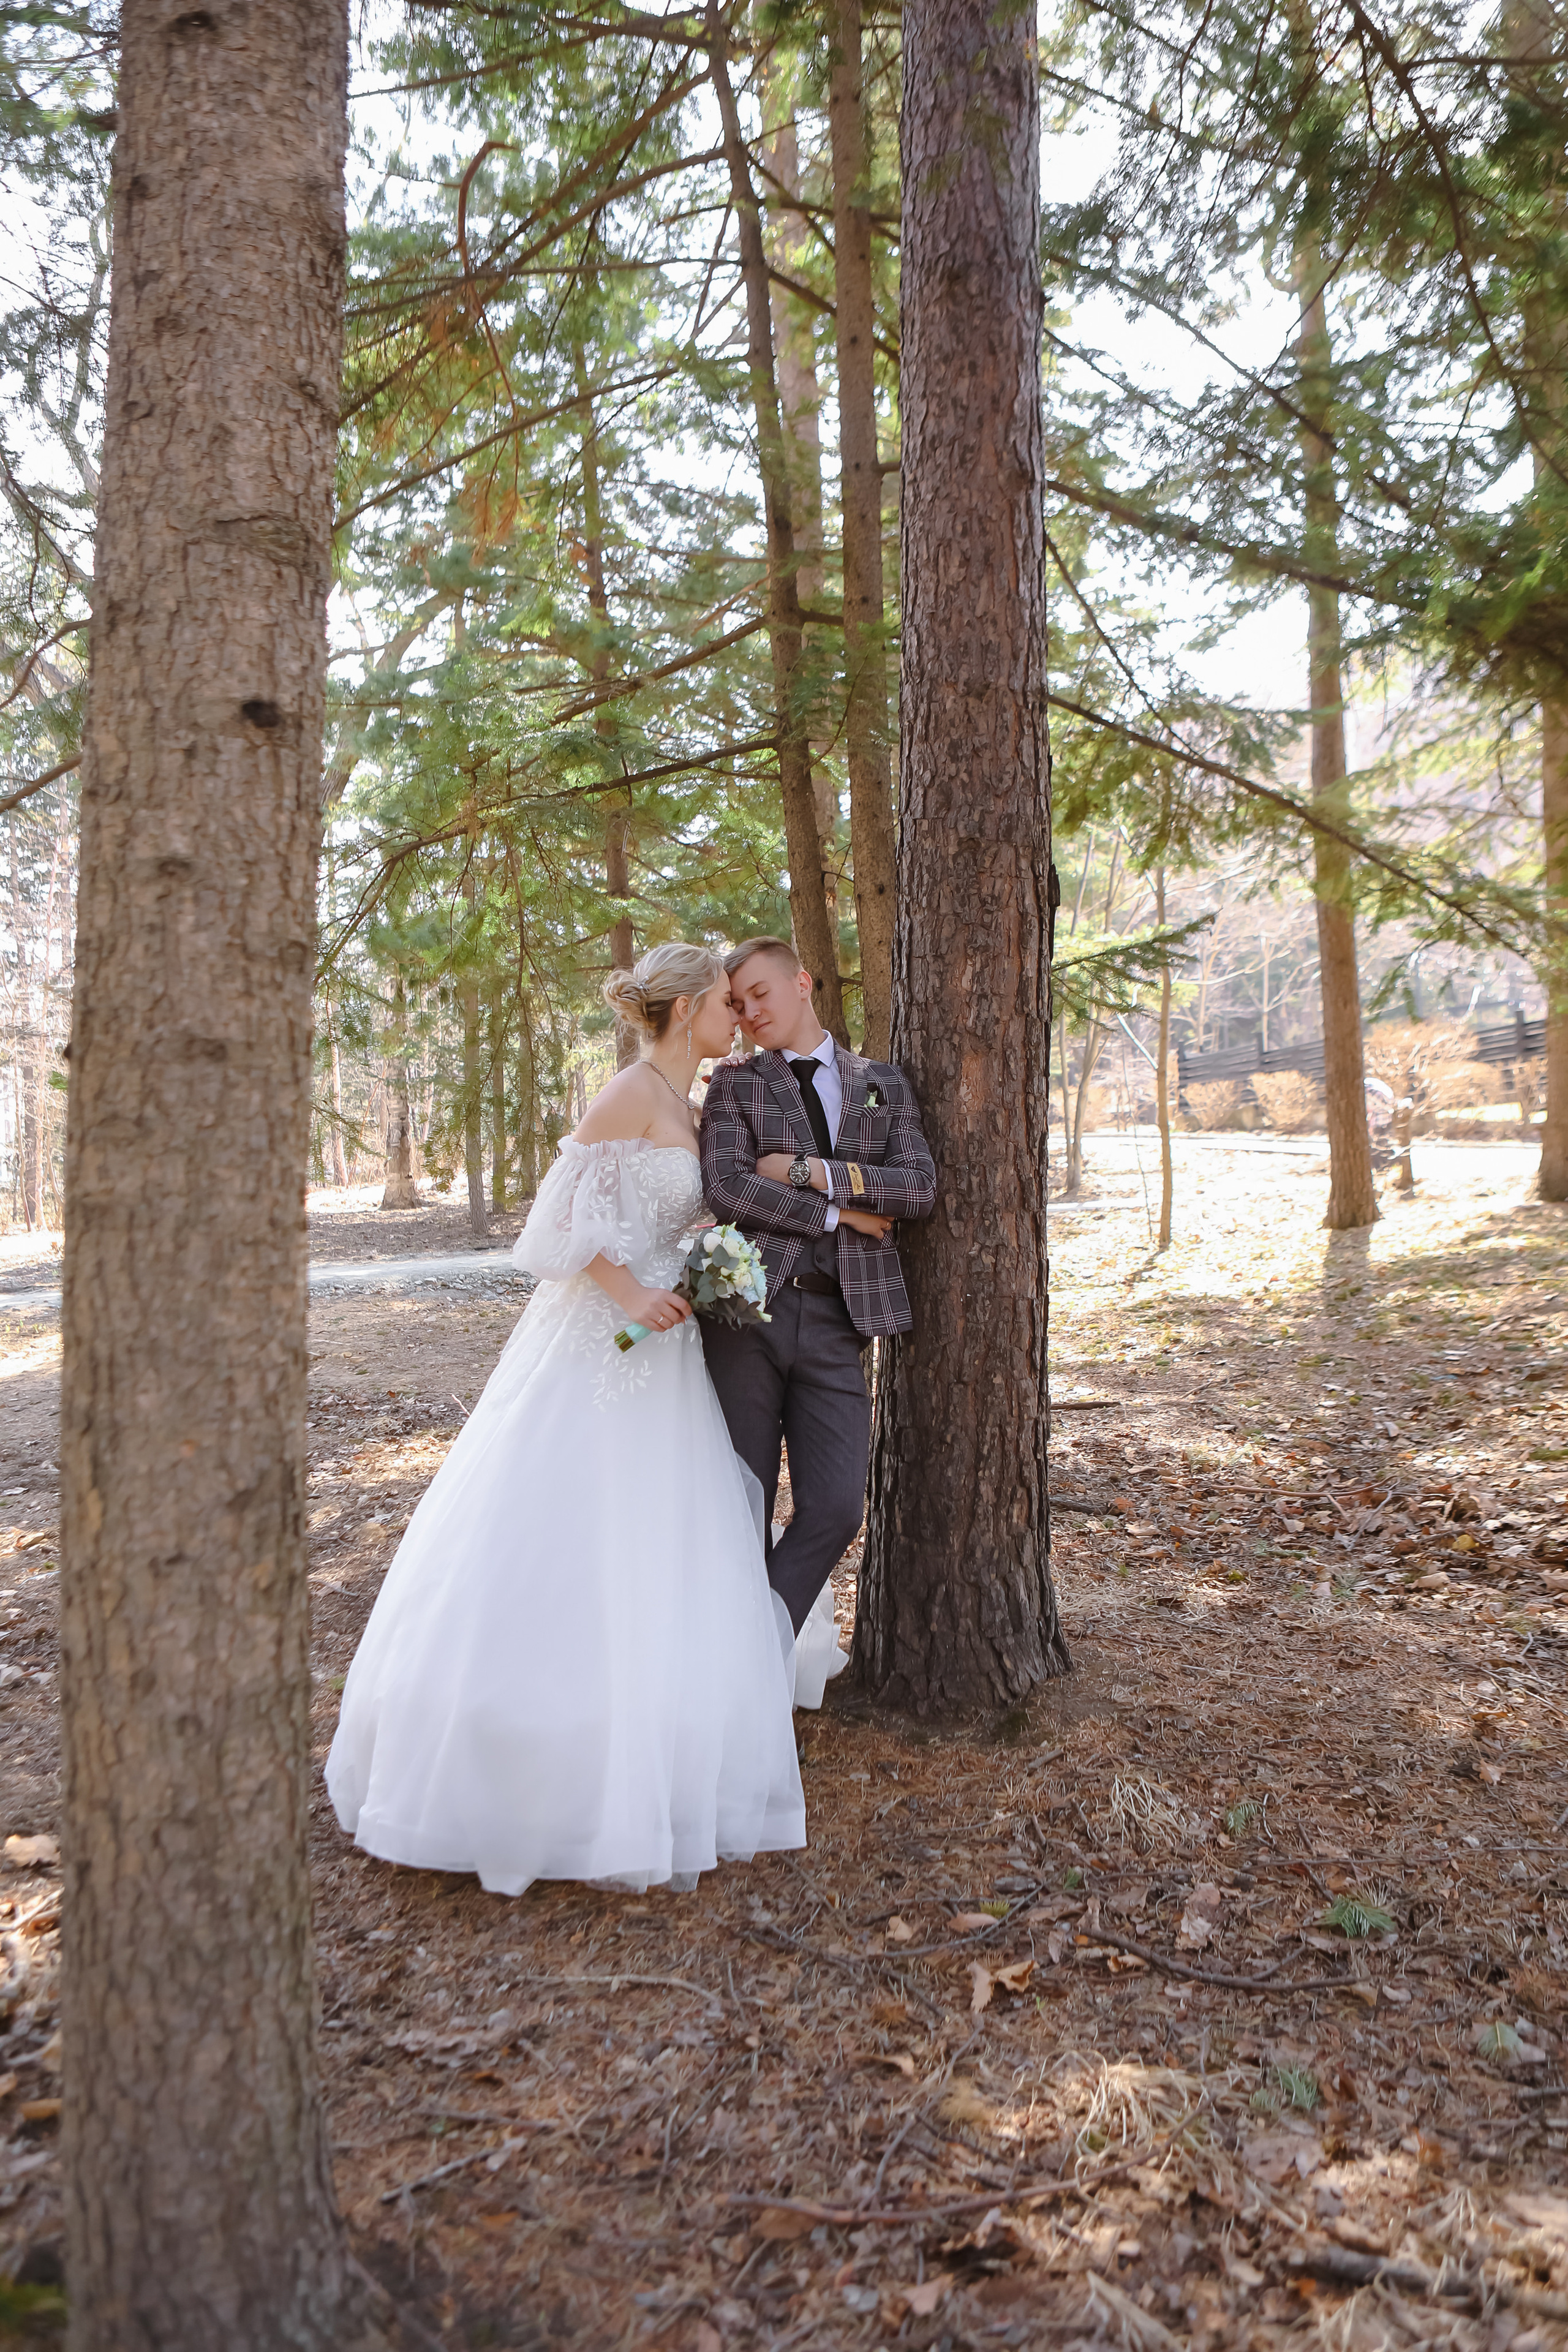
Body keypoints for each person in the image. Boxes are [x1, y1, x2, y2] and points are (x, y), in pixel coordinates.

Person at [325, 943, 805, 1898]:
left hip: (669, 1356)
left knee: (660, 1540)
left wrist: (708, 1258)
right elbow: (551, 1229)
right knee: (567, 1526)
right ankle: (527, 1762)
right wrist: (631, 1293)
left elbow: (690, 1214)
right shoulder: (628, 1093)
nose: (733, 1019)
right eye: (721, 1003)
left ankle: (655, 1745)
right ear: (682, 1010)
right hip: (602, 1343)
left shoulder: (696, 1106)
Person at [699, 937, 937, 1642]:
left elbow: (919, 1187)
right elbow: (727, 1188)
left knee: (835, 1508)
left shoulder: (882, 1083)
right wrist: (843, 1213)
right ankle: (731, 1681)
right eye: (737, 1005)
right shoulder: (735, 1083)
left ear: (802, 982)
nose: (748, 1014)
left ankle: (749, 1653)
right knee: (739, 1506)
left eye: (761, 995)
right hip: (744, 1316)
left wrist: (808, 1174)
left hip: (841, 1319)